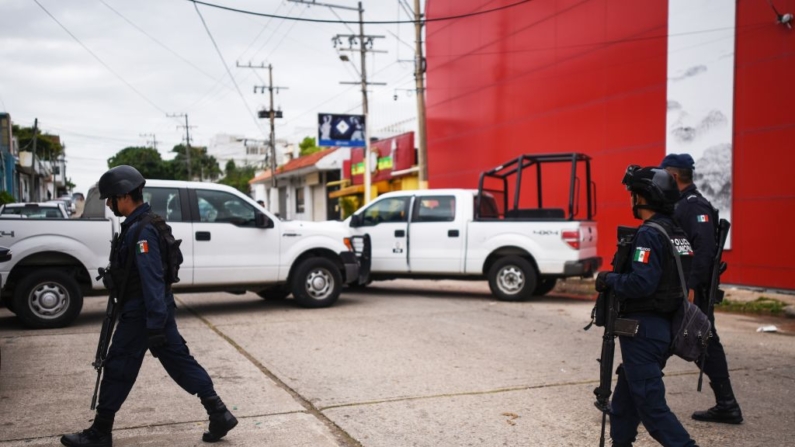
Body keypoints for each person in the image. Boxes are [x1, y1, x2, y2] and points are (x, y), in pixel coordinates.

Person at [61, 165, 237, 447]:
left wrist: (154, 324)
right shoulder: (140, 224)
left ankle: (100, 432)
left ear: (125, 195)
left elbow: (152, 279)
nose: (109, 204)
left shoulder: (142, 231)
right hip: (154, 311)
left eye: (111, 199)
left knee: (118, 365)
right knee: (180, 362)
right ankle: (219, 413)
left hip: (143, 313)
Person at [595, 165, 699, 447]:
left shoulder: (649, 235)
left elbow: (642, 283)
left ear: (642, 198)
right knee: (627, 394)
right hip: (664, 327)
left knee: (652, 407)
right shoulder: (676, 232)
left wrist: (608, 278)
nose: (631, 199)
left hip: (644, 330)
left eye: (633, 193)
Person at [661, 153, 743, 424]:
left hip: (693, 290)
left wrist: (692, 285)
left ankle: (727, 404)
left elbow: (704, 250)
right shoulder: (682, 204)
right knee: (683, 340)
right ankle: (727, 404)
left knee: (700, 341)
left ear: (673, 176)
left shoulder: (694, 206)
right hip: (682, 288)